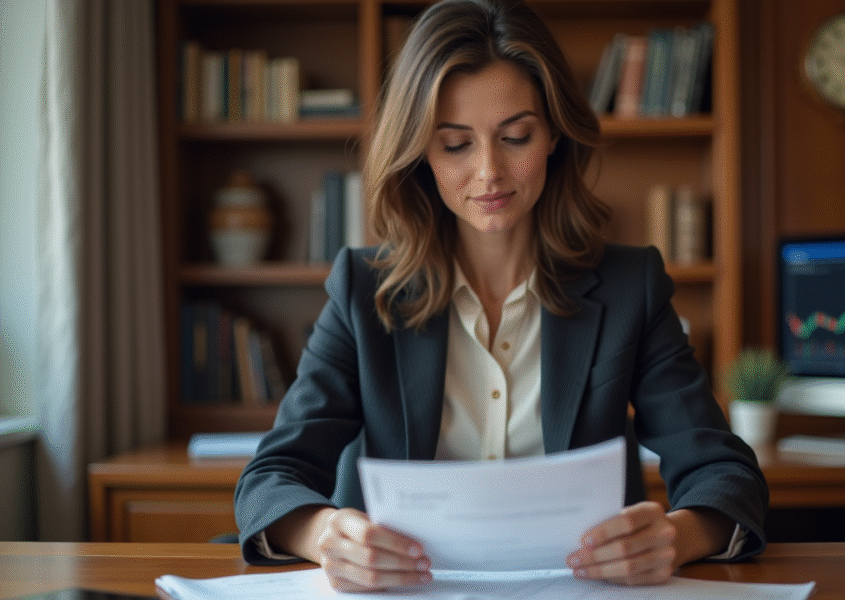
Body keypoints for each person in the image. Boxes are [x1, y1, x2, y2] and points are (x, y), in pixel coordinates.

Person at [234, 0, 768, 593]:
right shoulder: (365, 290)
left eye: (516, 136)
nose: (489, 173)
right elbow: (272, 477)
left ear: (555, 135)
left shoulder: (629, 288)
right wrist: (323, 533)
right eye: (455, 144)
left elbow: (723, 471)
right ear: (421, 154)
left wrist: (678, 536)